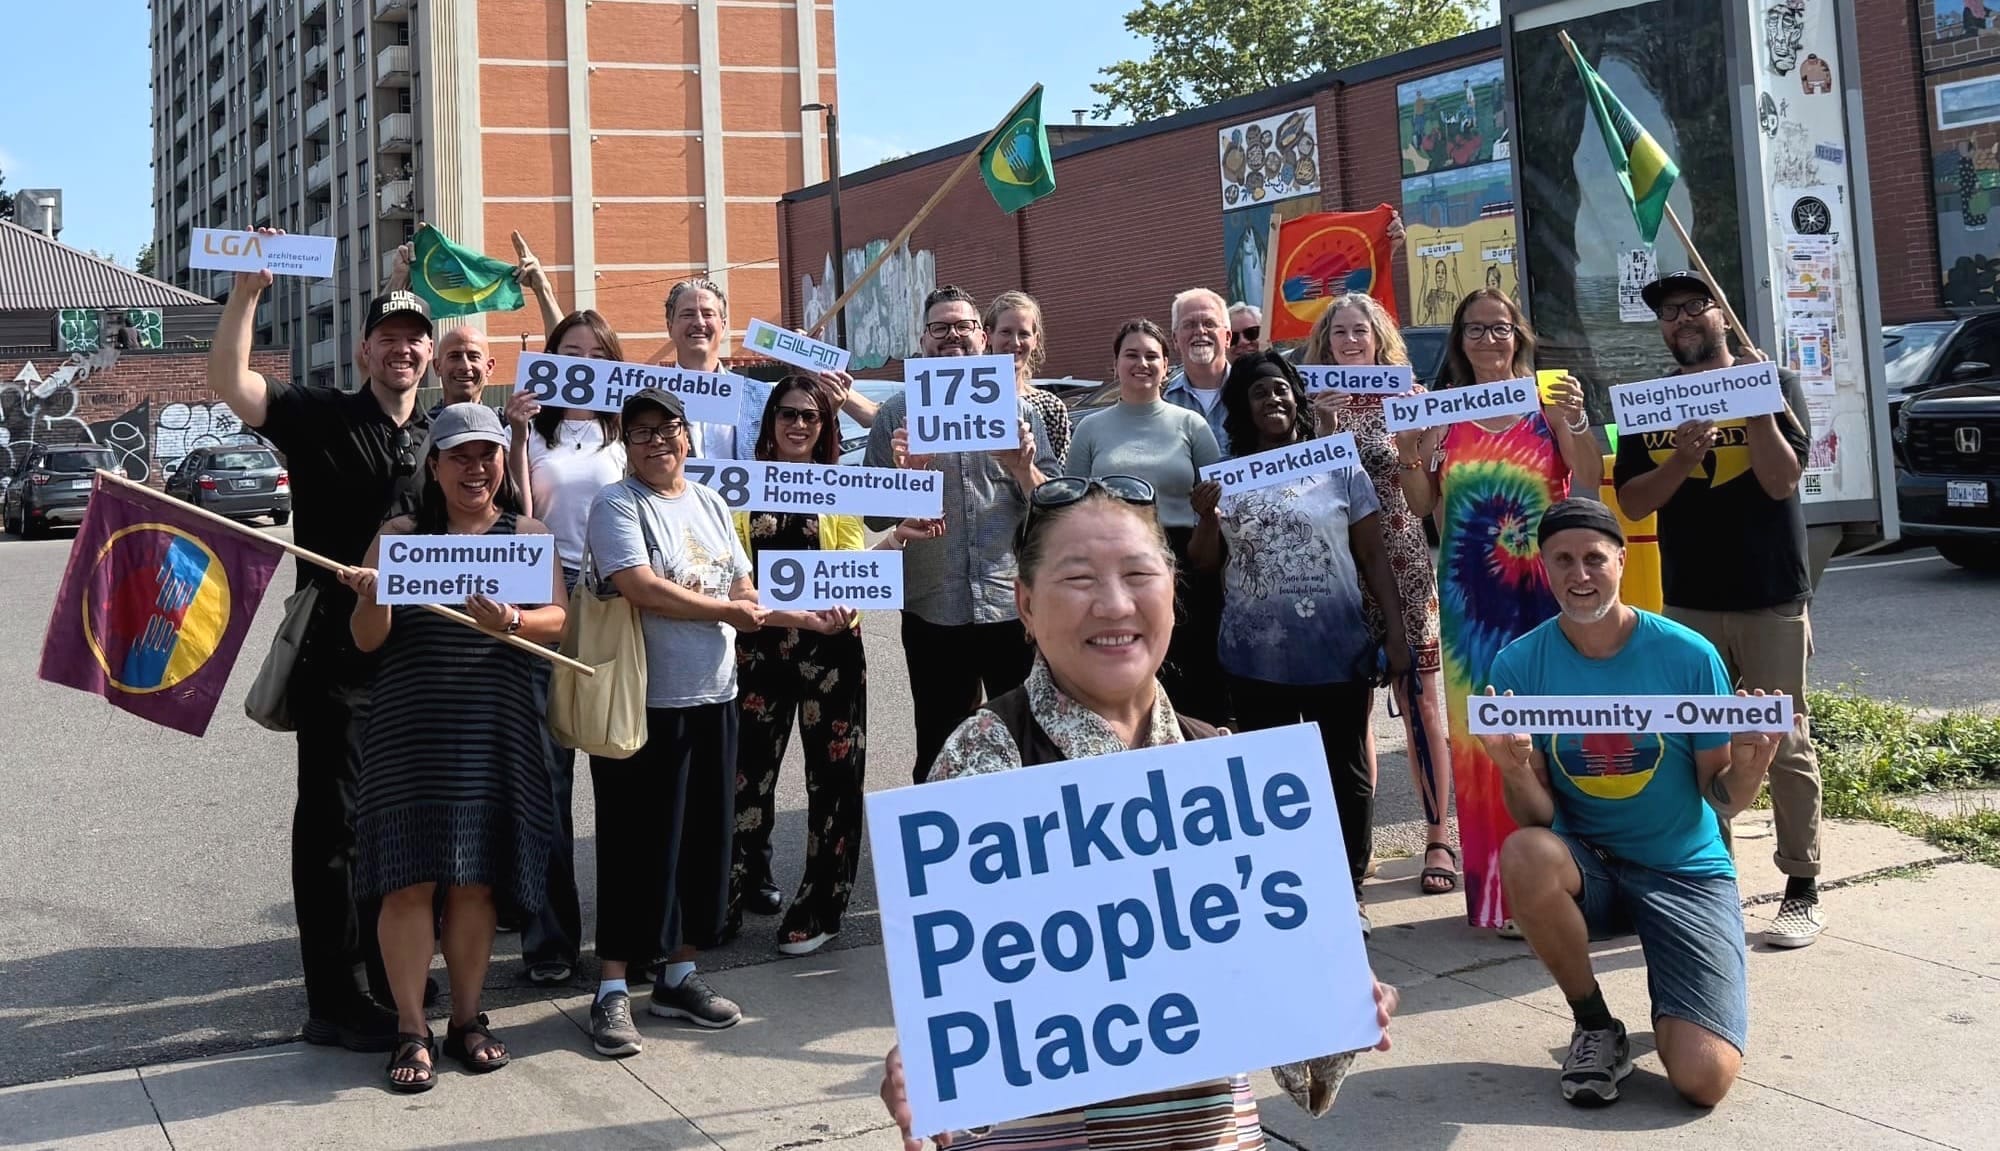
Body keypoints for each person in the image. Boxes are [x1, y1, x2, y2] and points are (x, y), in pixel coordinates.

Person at [878, 475, 1401, 1150]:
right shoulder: (984, 756)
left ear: (1173, 595)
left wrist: (1339, 1003)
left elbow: (1299, 1064)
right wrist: (929, 1070)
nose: (1115, 602)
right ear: (1026, 606)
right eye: (1078, 578)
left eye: (1138, 572)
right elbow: (969, 1031)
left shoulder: (1228, 768)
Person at [206, 235, 433, 1052]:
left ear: (428, 354)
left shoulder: (440, 439)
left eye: (415, 339)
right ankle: (334, 998)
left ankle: (387, 968)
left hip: (418, 665)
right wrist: (247, 295)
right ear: (364, 349)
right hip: (339, 662)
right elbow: (231, 385)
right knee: (333, 830)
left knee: (394, 824)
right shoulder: (323, 415)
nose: (401, 349)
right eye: (388, 337)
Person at [1481, 498, 1781, 1109]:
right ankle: (1594, 1024)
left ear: (1622, 559)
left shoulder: (1688, 655)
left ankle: (1682, 997)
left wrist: (1749, 771)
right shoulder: (1518, 664)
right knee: (1525, 853)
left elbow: (1719, 798)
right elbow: (1537, 820)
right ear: (1543, 567)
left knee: (1702, 1080)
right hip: (1589, 865)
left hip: (1684, 871)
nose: (1579, 574)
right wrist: (1511, 767)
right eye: (1562, 560)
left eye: (1594, 557)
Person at [341, 403, 567, 1092]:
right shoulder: (399, 537)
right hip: (411, 728)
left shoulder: (526, 536)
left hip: (494, 726)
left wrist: (515, 620)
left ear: (504, 461)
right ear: (433, 466)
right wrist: (373, 596)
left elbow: (557, 622)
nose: (475, 467)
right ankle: (412, 1026)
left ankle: (468, 1018)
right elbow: (366, 639)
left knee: (474, 878)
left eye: (488, 454)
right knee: (408, 879)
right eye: (459, 456)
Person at [1615, 270, 1824, 949]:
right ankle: (1715, 887)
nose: (1681, 320)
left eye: (1693, 306)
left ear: (1721, 315)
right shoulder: (1653, 403)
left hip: (1770, 592)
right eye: (1668, 313)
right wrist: (1680, 458)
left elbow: (1782, 478)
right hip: (1691, 597)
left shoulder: (1778, 381)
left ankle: (1801, 886)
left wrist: (1758, 404)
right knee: (1702, 743)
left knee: (1784, 740)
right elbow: (1637, 501)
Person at [1397, 288, 1600, 933]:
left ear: (1519, 336)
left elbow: (1588, 480)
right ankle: (1501, 895)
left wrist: (1575, 421)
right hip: (1470, 604)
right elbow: (1422, 502)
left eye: (1500, 327)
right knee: (1487, 743)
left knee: (1554, 732)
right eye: (1475, 330)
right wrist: (1413, 446)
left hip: (1546, 594)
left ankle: (1572, 883)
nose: (1489, 339)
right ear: (1459, 342)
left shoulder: (1547, 401)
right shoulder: (1447, 413)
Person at [1189, 352, 1411, 934]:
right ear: (1243, 408)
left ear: (1298, 398)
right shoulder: (1226, 476)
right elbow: (1204, 565)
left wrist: (1396, 629)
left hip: (1337, 648)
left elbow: (1372, 556)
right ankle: (1289, 887)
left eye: (1281, 389)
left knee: (1347, 772)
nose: (1273, 400)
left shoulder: (1338, 466)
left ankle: (1349, 886)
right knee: (1272, 780)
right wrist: (1208, 520)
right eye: (1259, 393)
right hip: (1254, 656)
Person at [727, 377, 946, 955]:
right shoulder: (741, 488)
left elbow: (853, 566)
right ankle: (727, 894)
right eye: (787, 414)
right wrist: (779, 615)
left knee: (836, 783)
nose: (798, 425)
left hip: (831, 650)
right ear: (769, 422)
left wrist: (896, 537)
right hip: (762, 647)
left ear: (826, 428)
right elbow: (731, 572)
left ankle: (821, 907)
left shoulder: (838, 487)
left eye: (811, 416)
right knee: (746, 779)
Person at [583, 387, 766, 1055]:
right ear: (624, 445)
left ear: (688, 436)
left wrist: (746, 603)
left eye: (669, 428)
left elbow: (741, 581)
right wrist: (726, 610)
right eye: (642, 433)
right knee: (636, 846)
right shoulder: (616, 503)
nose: (658, 441)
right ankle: (611, 989)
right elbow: (639, 585)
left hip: (712, 695)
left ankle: (679, 975)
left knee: (699, 843)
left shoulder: (711, 501)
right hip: (644, 703)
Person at [862, 285, 1057, 784]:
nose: (952, 335)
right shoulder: (894, 416)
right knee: (938, 739)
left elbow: (1055, 510)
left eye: (963, 326)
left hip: (1009, 604)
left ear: (983, 337)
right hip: (933, 608)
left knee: (1028, 735)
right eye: (939, 327)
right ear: (923, 340)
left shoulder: (1021, 411)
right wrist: (914, 474)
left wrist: (1022, 470)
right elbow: (876, 519)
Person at [1303, 293, 1455, 894]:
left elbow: (1425, 501)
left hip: (1400, 559)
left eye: (1359, 331)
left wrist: (1416, 444)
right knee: (1351, 711)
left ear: (1379, 337)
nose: (1348, 341)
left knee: (1420, 699)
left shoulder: (1409, 399)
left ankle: (1439, 837)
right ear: (1325, 342)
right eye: (1338, 332)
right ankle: (1356, 843)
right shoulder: (1311, 400)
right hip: (1338, 566)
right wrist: (1322, 425)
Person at [503, 308, 629, 987]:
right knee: (546, 782)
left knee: (618, 767)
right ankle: (549, 937)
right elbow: (517, 516)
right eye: (567, 351)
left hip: (615, 604)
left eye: (593, 351)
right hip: (546, 602)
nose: (580, 361)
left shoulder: (627, 432)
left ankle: (626, 934)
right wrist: (518, 434)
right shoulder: (527, 430)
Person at [1067, 318, 1227, 724]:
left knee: (1192, 682)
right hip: (1111, 566)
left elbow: (1222, 495)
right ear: (1115, 364)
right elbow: (1070, 503)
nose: (1142, 363)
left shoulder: (1190, 425)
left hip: (1183, 565)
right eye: (1131, 355)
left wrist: (1209, 507)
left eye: (1151, 356)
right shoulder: (1089, 428)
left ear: (1166, 364)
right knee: (1124, 674)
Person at [664, 277, 876, 459]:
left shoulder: (763, 397)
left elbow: (804, 457)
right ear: (669, 325)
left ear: (723, 325)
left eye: (708, 314)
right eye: (687, 314)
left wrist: (829, 407)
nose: (699, 322)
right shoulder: (649, 395)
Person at [983, 290, 1072, 467]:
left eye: (1023, 334)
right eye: (1006, 332)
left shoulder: (1050, 407)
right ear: (988, 336)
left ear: (1035, 340)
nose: (1015, 342)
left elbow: (1059, 481)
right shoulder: (965, 405)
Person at [1162, 288, 1233, 454]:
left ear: (1228, 337)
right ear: (1175, 339)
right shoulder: (1162, 400)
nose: (1200, 331)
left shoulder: (1252, 393)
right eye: (1189, 325)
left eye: (1210, 324)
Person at [433, 326, 496, 412]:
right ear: (437, 367)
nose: (465, 366)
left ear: (489, 367)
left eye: (474, 357)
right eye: (454, 356)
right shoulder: (422, 425)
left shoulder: (504, 424)